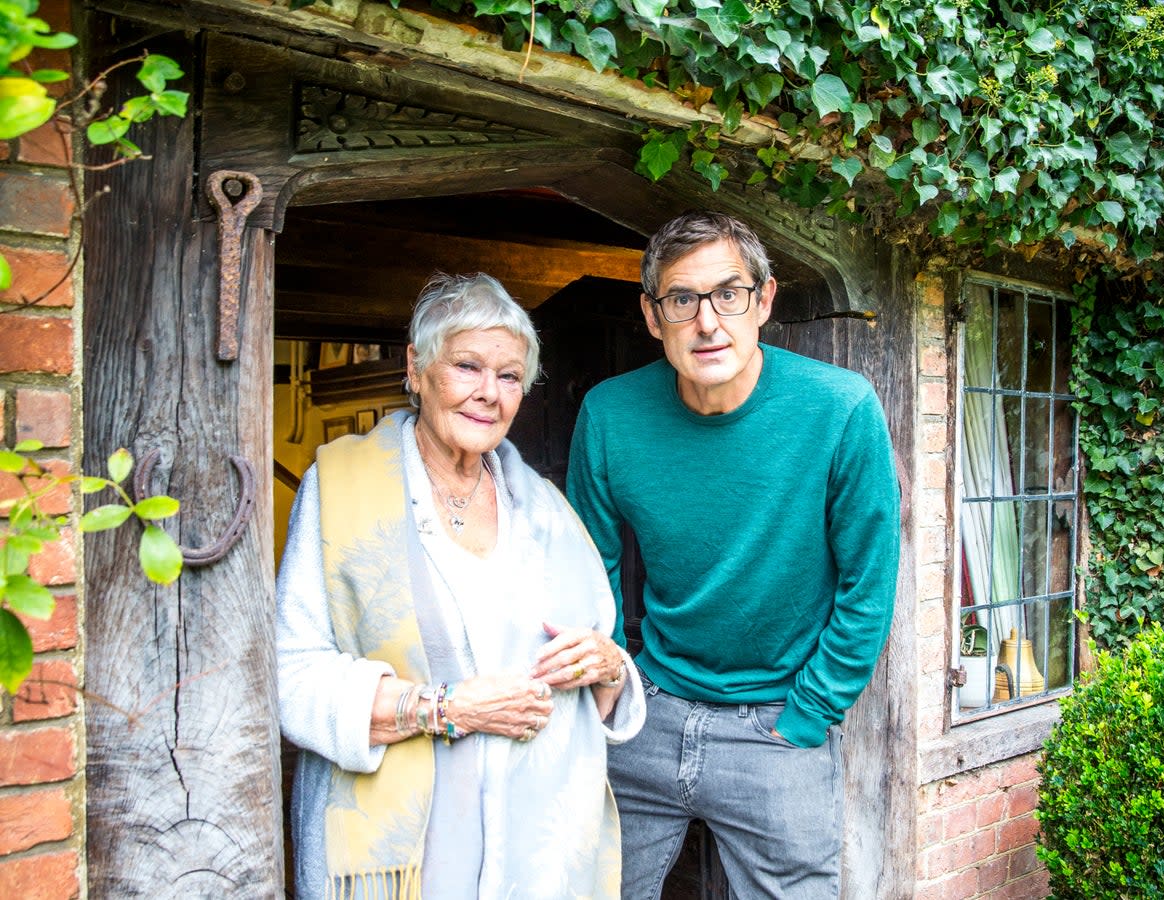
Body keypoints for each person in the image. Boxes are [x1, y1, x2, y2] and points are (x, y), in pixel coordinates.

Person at [276, 272, 645, 900]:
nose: (488, 394)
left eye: (508, 377)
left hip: (537, 849)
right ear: (417, 368)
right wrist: (445, 710)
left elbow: (600, 669)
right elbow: (293, 674)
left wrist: (609, 666)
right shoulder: (340, 486)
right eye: (467, 367)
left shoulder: (546, 509)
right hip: (408, 850)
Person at [566, 211, 901, 898]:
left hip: (778, 729)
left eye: (729, 294)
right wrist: (611, 683)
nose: (708, 322)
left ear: (765, 300)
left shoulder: (840, 409)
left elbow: (869, 584)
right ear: (653, 316)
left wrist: (809, 713)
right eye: (682, 300)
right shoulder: (609, 415)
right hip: (645, 716)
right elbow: (584, 564)